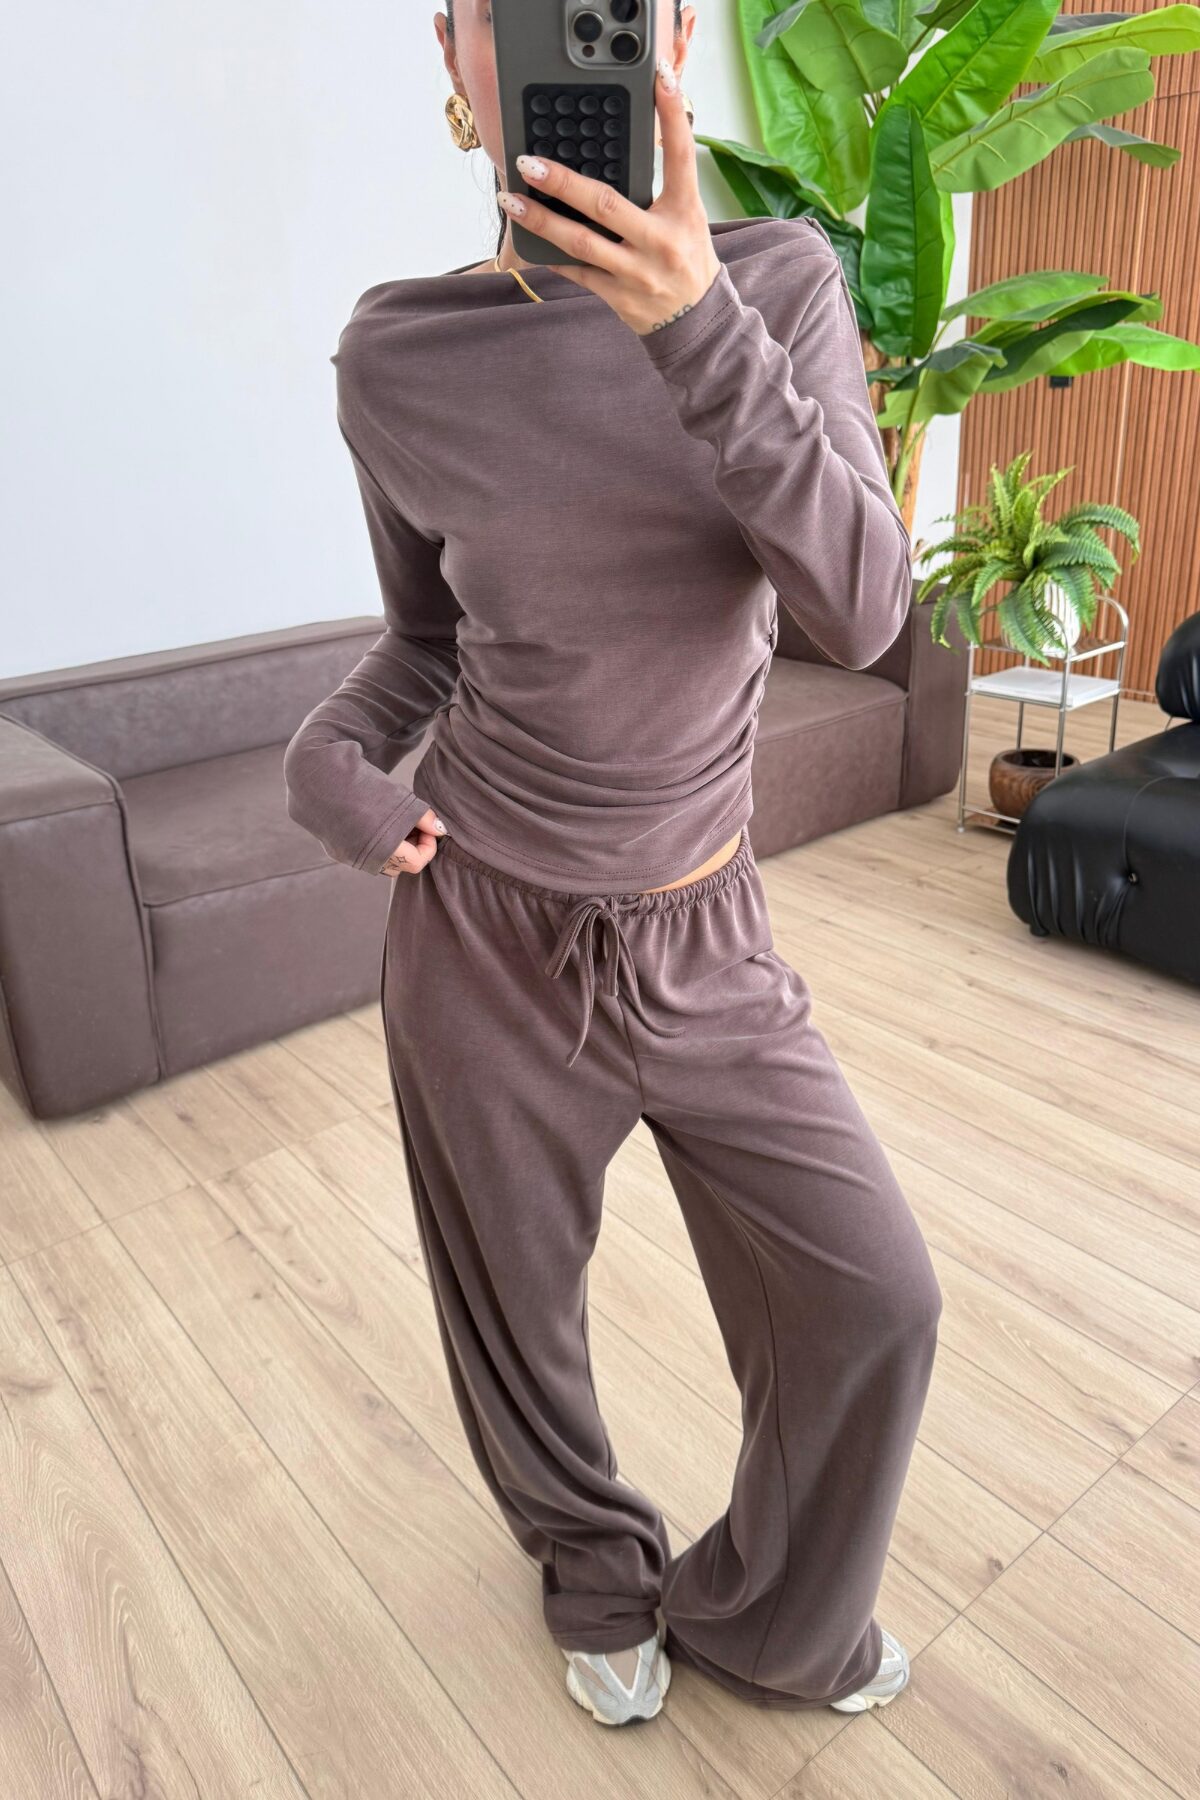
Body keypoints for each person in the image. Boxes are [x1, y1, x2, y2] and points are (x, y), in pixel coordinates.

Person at [283, 0, 943, 1729]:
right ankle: (588, 1563)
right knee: (516, 1311)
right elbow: (424, 641)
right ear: (453, 50)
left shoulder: (780, 285)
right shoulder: (397, 357)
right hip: (483, 939)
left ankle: (770, 1615)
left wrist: (695, 326)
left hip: (706, 928)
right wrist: (326, 760)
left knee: (872, 1300)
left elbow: (864, 612)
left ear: (671, 32)